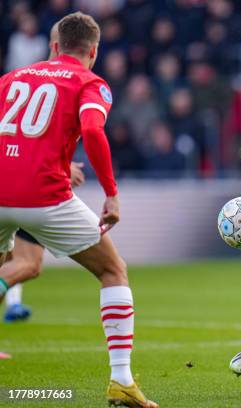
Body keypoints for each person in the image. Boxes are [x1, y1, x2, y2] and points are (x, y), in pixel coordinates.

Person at [0, 12, 157, 407]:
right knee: (112, 270)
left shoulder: (13, 77)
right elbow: (91, 130)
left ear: (54, 46)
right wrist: (111, 193)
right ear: (94, 51)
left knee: (6, 261)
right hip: (43, 198)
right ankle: (121, 380)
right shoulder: (91, 82)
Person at [3, 23, 86, 324]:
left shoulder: (16, 80)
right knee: (111, 268)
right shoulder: (72, 83)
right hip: (32, 187)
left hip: (16, 179)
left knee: (20, 260)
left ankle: (13, 303)